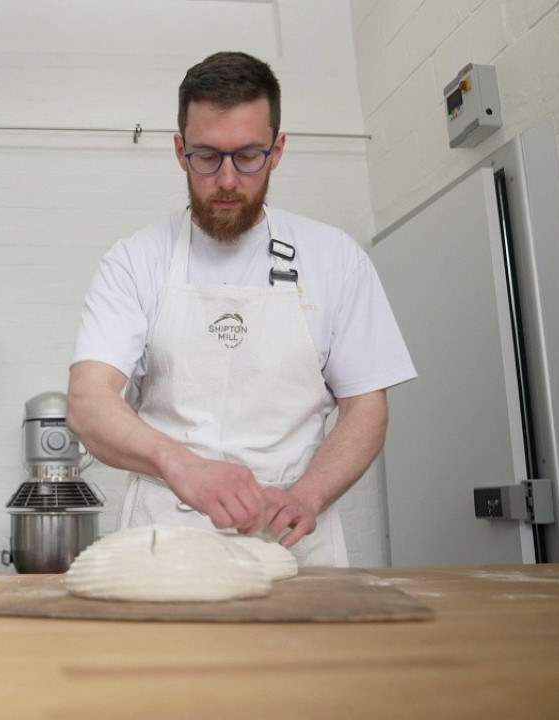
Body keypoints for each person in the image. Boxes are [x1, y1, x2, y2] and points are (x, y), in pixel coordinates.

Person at [66, 51, 416, 567]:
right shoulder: (136, 260)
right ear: (180, 150)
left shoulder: (335, 258)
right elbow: (88, 401)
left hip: (291, 540)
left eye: (248, 156)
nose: (228, 180)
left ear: (277, 150)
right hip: (166, 542)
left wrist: (307, 496)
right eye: (207, 157)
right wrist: (179, 465)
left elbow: (365, 407)